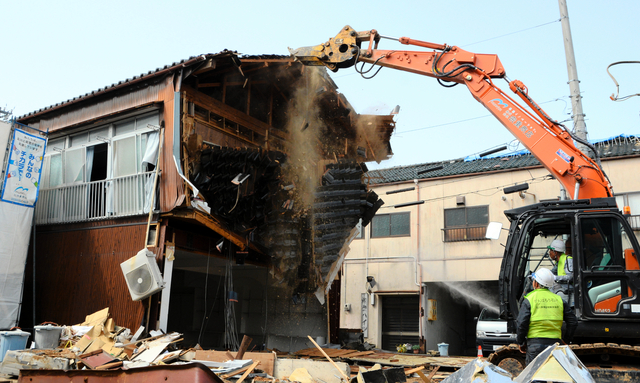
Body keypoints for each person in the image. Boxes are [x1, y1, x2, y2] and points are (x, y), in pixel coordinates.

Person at [516, 268, 578, 365]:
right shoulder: (559, 300)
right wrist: (566, 340)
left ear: (536, 283)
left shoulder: (529, 299)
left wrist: (521, 342)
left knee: (535, 377)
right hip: (555, 345)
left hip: (535, 345)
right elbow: (573, 322)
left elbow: (521, 323)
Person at [548, 239, 574, 306]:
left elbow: (571, 276)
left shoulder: (567, 260)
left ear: (555, 252)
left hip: (568, 288)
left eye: (550, 250)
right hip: (563, 286)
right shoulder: (559, 261)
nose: (549, 253)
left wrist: (555, 278)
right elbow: (552, 272)